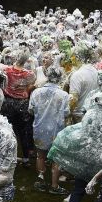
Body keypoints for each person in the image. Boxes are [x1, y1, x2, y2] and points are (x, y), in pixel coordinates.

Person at [29, 66, 70, 194]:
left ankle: (41, 181)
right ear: (60, 78)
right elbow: (67, 113)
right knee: (56, 158)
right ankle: (54, 186)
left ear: (47, 76)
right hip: (56, 130)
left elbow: (30, 110)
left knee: (40, 155)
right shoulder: (64, 95)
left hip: (40, 128)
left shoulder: (36, 92)